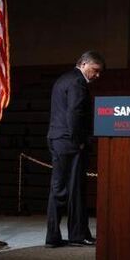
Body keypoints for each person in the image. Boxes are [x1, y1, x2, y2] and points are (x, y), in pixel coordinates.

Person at [45, 51, 105, 248]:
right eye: (95, 70)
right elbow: (75, 112)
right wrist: (79, 141)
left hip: (57, 138)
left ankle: (54, 237)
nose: (97, 76)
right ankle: (78, 235)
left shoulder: (63, 79)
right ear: (84, 63)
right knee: (75, 190)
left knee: (59, 189)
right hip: (70, 142)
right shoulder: (78, 82)